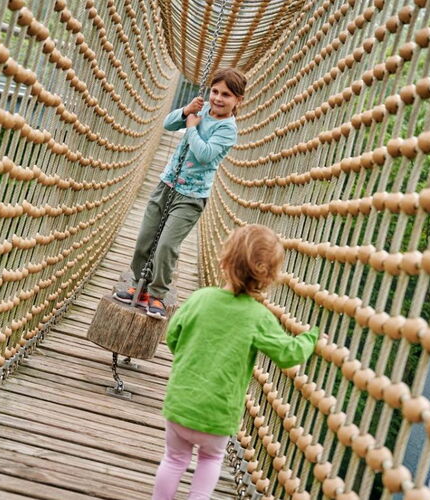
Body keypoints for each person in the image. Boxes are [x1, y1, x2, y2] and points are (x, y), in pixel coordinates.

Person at [151, 224, 320, 500]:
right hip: (218, 414)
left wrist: (190, 354)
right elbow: (289, 354)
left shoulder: (200, 298)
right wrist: (311, 337)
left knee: (173, 459)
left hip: (181, 403)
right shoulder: (259, 317)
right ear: (269, 278)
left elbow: (172, 336)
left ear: (224, 260)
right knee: (210, 460)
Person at [114, 68, 247, 320]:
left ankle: (157, 295)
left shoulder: (228, 129)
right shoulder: (201, 109)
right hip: (167, 185)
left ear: (238, 100)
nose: (218, 98)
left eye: (226, 95)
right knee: (145, 237)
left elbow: (204, 154)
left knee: (166, 245)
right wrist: (186, 111)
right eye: (215, 91)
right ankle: (139, 286)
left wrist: (192, 128)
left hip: (191, 197)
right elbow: (168, 124)